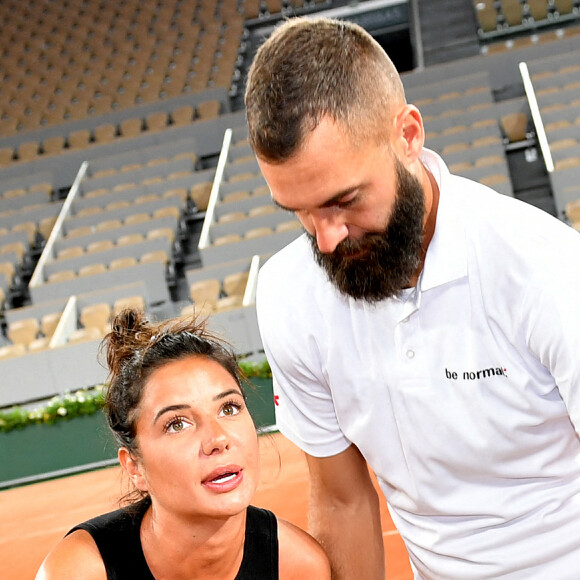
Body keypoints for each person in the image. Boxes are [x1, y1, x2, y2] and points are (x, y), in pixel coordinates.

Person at [244, 16, 580, 580]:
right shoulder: (288, 294)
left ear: (408, 135)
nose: (326, 238)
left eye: (344, 200)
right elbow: (342, 499)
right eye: (299, 212)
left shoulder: (547, 268)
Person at [35, 309, 330, 580]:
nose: (218, 439)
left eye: (229, 408)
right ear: (135, 467)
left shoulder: (298, 567)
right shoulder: (79, 572)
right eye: (177, 424)